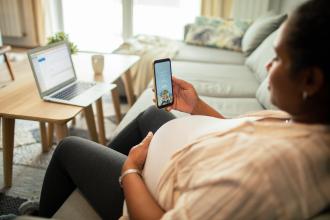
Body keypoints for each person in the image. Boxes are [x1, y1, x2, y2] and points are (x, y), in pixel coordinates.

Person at [36, 0, 330, 219]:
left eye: (277, 59)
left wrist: (130, 170)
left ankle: (41, 212)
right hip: (194, 158)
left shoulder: (265, 173)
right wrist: (196, 107)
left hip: (150, 194)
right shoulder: (306, 121)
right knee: (150, 116)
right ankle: (85, 178)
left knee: (69, 147)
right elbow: (239, 132)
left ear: (311, 79)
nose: (268, 66)